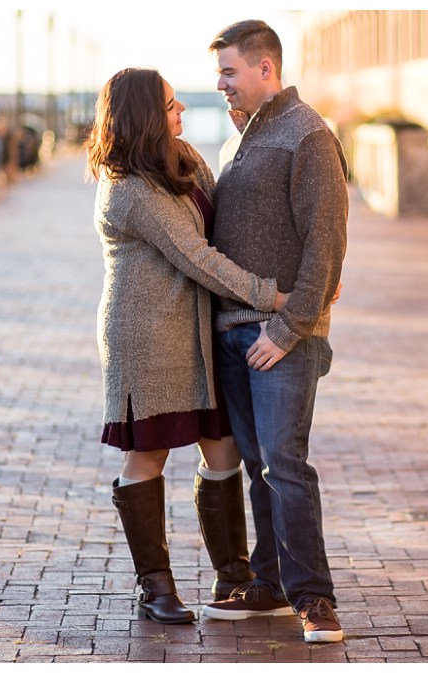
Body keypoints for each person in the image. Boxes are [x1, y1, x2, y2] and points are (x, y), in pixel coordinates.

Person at [86, 67, 290, 625]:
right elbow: (197, 256)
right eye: (171, 106)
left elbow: (227, 221)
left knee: (220, 449)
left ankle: (234, 578)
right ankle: (156, 588)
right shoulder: (127, 188)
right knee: (148, 453)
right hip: (147, 338)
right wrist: (274, 298)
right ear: (144, 116)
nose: (181, 113)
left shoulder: (184, 158)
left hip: (200, 332)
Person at [199, 20, 348, 644]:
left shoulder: (307, 134)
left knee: (286, 465)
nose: (221, 85)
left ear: (266, 69)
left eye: (230, 72)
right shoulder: (250, 134)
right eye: (218, 75)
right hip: (235, 331)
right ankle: (270, 583)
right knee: (261, 464)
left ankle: (315, 600)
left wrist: (288, 329)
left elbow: (327, 244)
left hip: (279, 336)